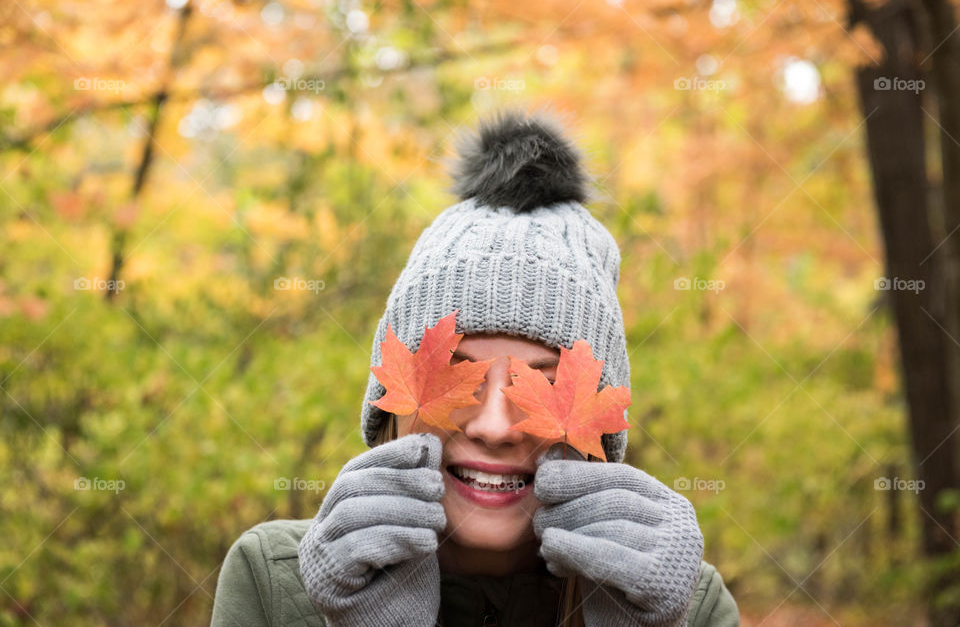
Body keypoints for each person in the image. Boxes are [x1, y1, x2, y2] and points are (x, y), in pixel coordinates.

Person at [209, 108, 740, 627]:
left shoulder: (688, 606)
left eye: (544, 384)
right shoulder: (274, 583)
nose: (493, 427)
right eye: (454, 376)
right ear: (390, 400)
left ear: (599, 426)